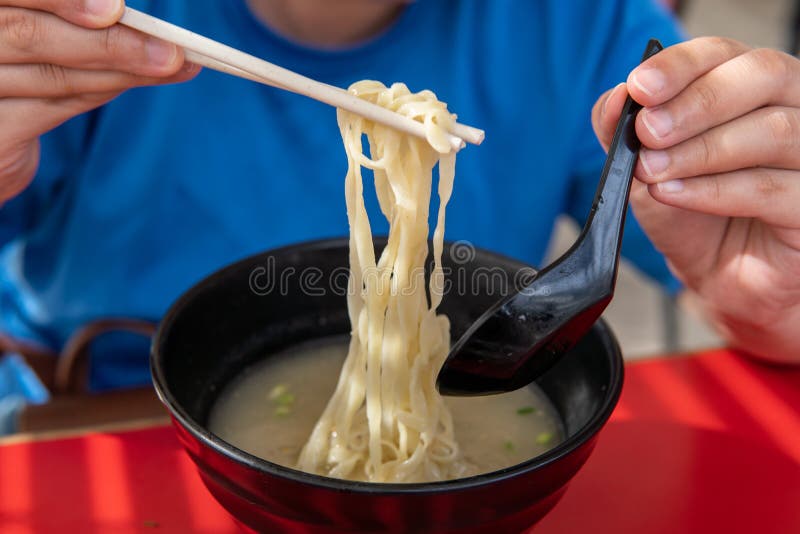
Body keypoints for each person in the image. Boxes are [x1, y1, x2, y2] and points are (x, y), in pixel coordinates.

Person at [0, 0, 797, 403]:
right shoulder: (82, 25)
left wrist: (770, 301)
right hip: (85, 418)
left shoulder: (574, 26)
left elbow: (760, 292)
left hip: (445, 458)